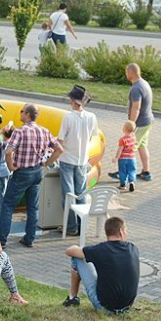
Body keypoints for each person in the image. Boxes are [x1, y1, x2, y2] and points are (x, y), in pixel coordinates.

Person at [0, 104, 63, 247]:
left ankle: (1, 239)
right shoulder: (44, 131)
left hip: (22, 172)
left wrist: (10, 166)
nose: (20, 114)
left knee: (7, 205)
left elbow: (8, 152)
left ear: (27, 114)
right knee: (33, 207)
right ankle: (29, 238)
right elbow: (59, 149)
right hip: (37, 171)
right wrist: (46, 163)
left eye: (21, 111)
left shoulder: (20, 132)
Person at [63, 217, 139, 313]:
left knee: (77, 258)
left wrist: (77, 247)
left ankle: (72, 298)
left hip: (105, 308)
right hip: (127, 306)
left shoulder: (100, 250)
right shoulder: (133, 249)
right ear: (121, 232)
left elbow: (69, 251)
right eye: (126, 230)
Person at [57, 85, 99, 236]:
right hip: (82, 160)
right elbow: (92, 136)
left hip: (67, 159)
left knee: (68, 194)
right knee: (81, 194)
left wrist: (52, 155)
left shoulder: (68, 117)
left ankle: (70, 226)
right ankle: (83, 226)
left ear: (73, 101)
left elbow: (60, 140)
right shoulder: (91, 117)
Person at [108, 63, 154, 182]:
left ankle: (124, 173)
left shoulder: (136, 88)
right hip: (148, 121)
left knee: (128, 149)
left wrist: (131, 124)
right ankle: (146, 172)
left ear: (131, 73)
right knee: (142, 146)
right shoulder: (144, 83)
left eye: (126, 72)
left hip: (140, 123)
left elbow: (136, 107)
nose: (126, 74)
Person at [0, 122, 15, 218]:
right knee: (5, 191)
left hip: (1, 170)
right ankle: (3, 213)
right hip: (8, 170)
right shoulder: (12, 144)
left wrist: (1, 131)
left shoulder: (2, 144)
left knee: (1, 193)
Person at [113, 121, 138, 192]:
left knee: (123, 171)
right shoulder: (133, 137)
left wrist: (116, 157)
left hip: (123, 158)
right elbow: (134, 145)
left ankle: (123, 185)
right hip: (132, 158)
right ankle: (132, 182)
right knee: (132, 170)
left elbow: (120, 150)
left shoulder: (122, 139)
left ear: (125, 129)